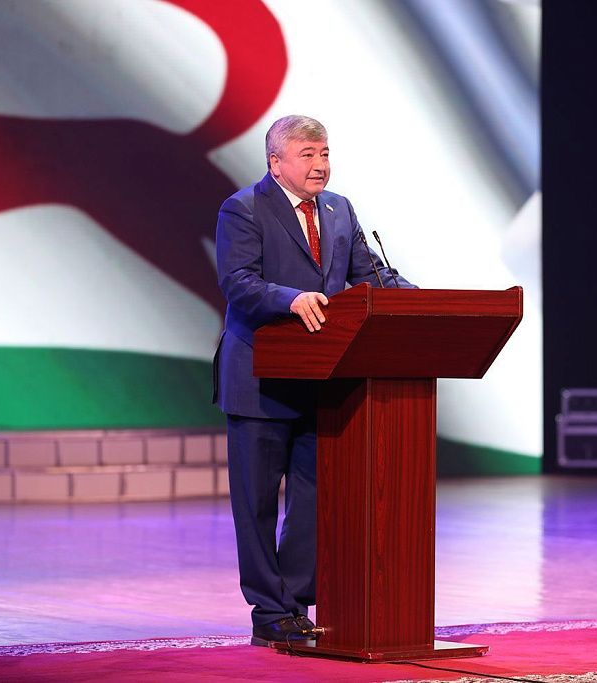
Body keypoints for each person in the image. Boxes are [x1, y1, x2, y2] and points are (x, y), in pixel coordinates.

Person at [213, 115, 413, 644]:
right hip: (259, 378)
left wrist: (423, 300)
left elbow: (370, 278)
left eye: (324, 153)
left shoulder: (339, 209)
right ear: (275, 161)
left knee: (315, 501)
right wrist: (290, 299)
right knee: (256, 504)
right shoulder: (243, 208)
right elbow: (238, 283)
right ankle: (268, 613)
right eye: (307, 154)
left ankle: (295, 604)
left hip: (323, 377)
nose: (320, 164)